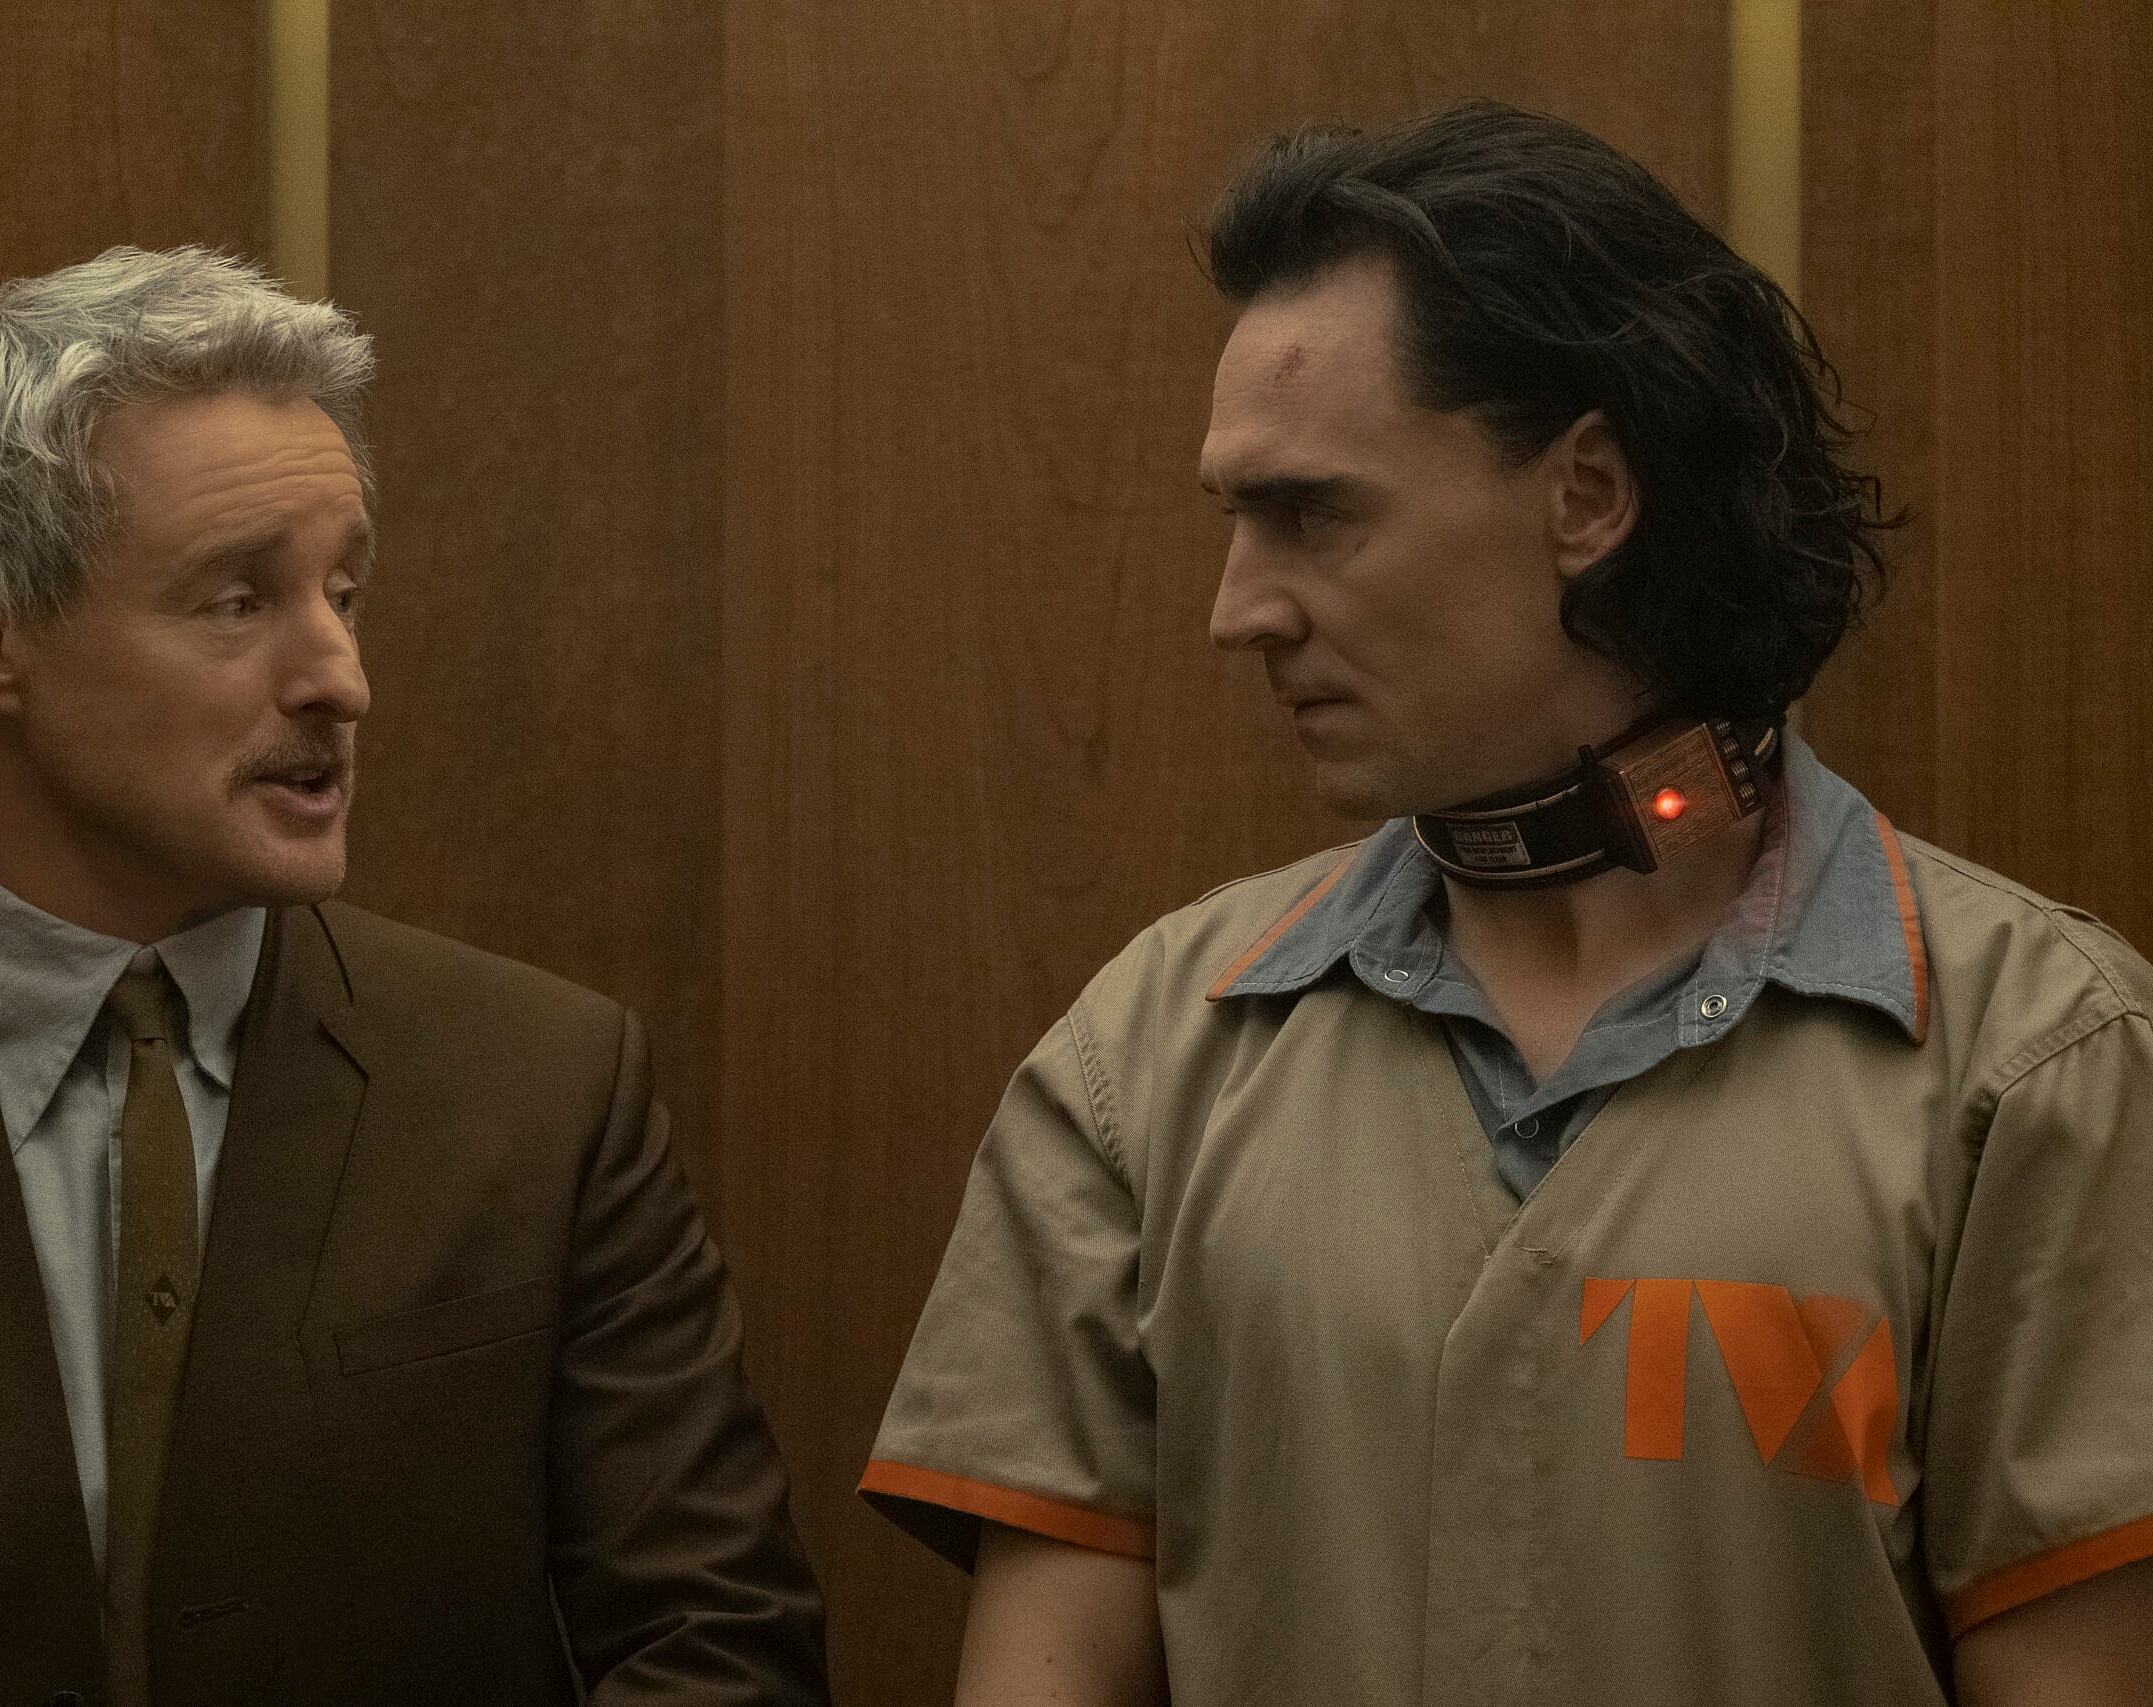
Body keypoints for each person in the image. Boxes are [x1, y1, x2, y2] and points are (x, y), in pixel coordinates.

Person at [860, 102, 2153, 1706]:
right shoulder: (1147, 1067)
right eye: (1233, 520)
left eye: (1312, 513)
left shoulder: (2036, 1067)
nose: (1237, 610)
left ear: (1587, 495)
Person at [0, 247, 827, 1706]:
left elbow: (717, 1650)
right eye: (238, 601)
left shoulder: (547, 1096)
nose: (339, 678)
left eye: (344, 593)